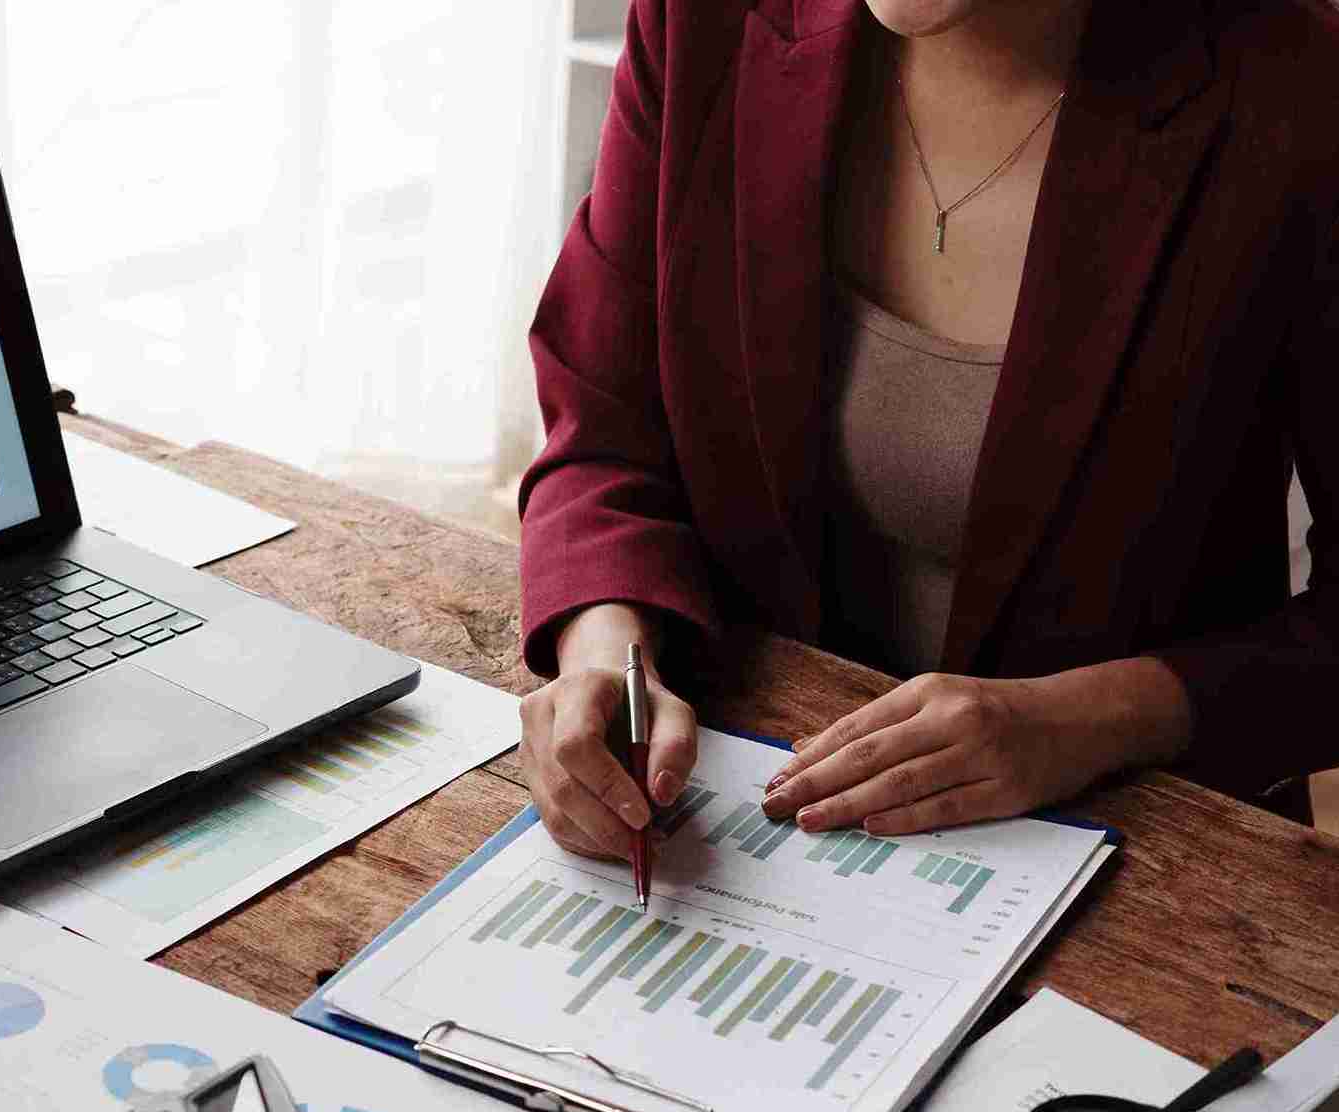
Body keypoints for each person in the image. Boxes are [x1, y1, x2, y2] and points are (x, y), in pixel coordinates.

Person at [516, 0, 1337, 861]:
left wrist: (1094, 720)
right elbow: (601, 423)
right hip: (745, 830)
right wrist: (606, 651)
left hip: (1149, 853)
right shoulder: (704, 21)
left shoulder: (1296, 86)